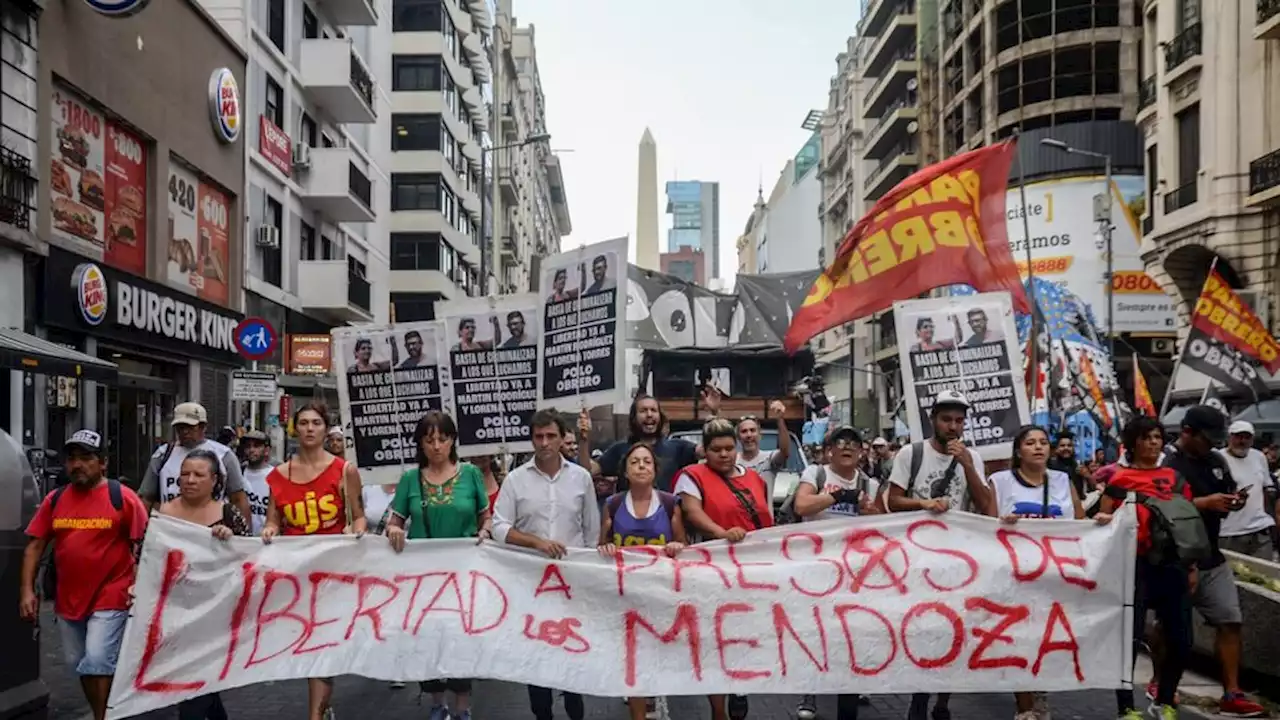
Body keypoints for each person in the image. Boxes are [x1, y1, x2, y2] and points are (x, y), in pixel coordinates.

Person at [19, 430, 149, 720]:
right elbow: (34, 545)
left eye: (86, 458)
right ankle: (105, 710)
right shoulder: (56, 499)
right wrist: (27, 590)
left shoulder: (123, 498)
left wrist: (138, 584)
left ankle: (104, 717)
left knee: (97, 659)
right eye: (72, 459)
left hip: (113, 592)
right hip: (69, 598)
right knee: (79, 663)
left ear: (102, 463)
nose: (77, 465)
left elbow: (144, 545)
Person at [991, 426, 1113, 720]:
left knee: (1046, 640)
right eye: (1030, 443)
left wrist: (1101, 522)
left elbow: (1079, 525)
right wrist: (1002, 523)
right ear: (1018, 450)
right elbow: (986, 527)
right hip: (1016, 575)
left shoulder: (1062, 480)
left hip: (1055, 576)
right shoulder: (1001, 481)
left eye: (1043, 442)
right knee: (1021, 638)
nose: (1038, 447)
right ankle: (1025, 707)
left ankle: (1039, 692)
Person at [885, 390, 991, 720]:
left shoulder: (971, 455)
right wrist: (925, 504)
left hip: (959, 560)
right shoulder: (910, 454)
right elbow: (893, 500)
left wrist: (968, 466)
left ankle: (943, 700)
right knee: (925, 629)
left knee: (954, 631)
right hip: (919, 557)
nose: (953, 427)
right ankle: (920, 696)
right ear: (933, 420)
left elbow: (986, 504)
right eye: (947, 419)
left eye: (959, 421)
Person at [1154, 406, 1266, 717]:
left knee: (1230, 620)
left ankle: (1232, 692)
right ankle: (1160, 682)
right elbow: (1160, 506)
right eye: (1207, 439)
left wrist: (1233, 501)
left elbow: (1225, 494)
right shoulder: (1167, 462)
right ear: (1187, 432)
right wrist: (1204, 503)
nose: (1212, 446)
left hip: (1211, 555)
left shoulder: (1216, 461)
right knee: (1170, 625)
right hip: (1174, 557)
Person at [261, 402, 367, 720]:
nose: (309, 428)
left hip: (333, 574)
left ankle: (315, 714)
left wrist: (355, 530)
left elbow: (360, 517)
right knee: (306, 643)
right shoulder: (277, 476)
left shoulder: (344, 471)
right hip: (295, 575)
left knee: (321, 644)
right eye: (303, 422)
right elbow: (274, 520)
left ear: (325, 428)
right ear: (295, 429)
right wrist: (269, 529)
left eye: (316, 423)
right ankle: (322, 706)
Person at [491, 410, 599, 720]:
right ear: (531, 439)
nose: (544, 443)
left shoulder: (581, 478)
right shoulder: (514, 480)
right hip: (530, 583)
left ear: (562, 437)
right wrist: (536, 543)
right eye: (538, 437)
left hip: (571, 583)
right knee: (535, 655)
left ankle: (575, 713)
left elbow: (590, 533)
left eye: (551, 436)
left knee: (573, 652)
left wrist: (590, 578)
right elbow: (499, 528)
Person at [386, 411, 489, 720]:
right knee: (428, 638)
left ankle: (462, 707)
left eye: (442, 439)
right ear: (420, 444)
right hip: (424, 579)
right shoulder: (409, 479)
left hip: (464, 575)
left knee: (460, 638)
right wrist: (394, 529)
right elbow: (396, 519)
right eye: (429, 440)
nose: (436, 446)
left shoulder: (470, 474)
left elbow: (485, 515)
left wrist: (484, 532)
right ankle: (436, 703)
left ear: (453, 441)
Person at [1099, 416, 1200, 720]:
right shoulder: (1119, 480)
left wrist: (1192, 566)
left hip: (1172, 566)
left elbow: (1189, 526)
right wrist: (1106, 523)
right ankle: (1126, 707)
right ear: (1133, 443)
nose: (1153, 443)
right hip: (1133, 567)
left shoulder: (1175, 478)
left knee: (1182, 641)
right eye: (1146, 437)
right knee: (1128, 642)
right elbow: (1103, 522)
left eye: (1157, 437)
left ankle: (1165, 699)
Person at [674, 417, 772, 720]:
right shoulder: (691, 476)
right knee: (714, 640)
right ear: (706, 450)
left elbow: (766, 519)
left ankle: (739, 689)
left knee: (744, 634)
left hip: (750, 572)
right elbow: (692, 512)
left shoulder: (756, 479)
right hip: (711, 569)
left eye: (730, 448)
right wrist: (721, 533)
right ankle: (718, 710)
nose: (725, 454)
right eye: (717, 449)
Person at [791, 425, 880, 720]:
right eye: (840, 442)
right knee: (816, 630)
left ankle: (854, 682)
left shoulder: (870, 484)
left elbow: (882, 522)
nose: (847, 447)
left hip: (854, 572)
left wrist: (871, 512)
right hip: (816, 568)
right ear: (829, 450)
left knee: (854, 630)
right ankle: (810, 692)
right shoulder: (816, 475)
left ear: (861, 452)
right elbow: (802, 504)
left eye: (853, 443)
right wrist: (840, 495)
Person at [158, 449, 251, 720]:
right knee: (197, 684)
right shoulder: (165, 513)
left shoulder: (228, 513)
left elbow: (249, 559)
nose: (190, 480)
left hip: (217, 614)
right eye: (184, 474)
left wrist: (230, 540)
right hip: (178, 612)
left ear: (214, 480)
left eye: (198, 475)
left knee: (198, 685)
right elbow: (151, 556)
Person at [596, 443, 686, 720]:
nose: (641, 466)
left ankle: (656, 705)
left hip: (660, 595)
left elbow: (682, 543)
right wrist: (606, 548)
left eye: (647, 461)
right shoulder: (612, 505)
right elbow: (600, 546)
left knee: (657, 658)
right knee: (633, 661)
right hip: (627, 599)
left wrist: (676, 547)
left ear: (655, 469)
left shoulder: (670, 503)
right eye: (635, 462)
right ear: (625, 470)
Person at [581, 390, 716, 497]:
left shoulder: (677, 447)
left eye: (653, 410)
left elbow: (708, 451)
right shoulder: (620, 449)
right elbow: (587, 470)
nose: (649, 414)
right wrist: (583, 438)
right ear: (634, 418)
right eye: (643, 411)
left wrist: (713, 415)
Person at [139, 402, 251, 522]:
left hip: (212, 527)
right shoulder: (162, 455)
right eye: (180, 427)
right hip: (170, 526)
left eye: (190, 427)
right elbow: (146, 497)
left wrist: (243, 536)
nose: (185, 431)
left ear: (203, 427)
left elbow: (238, 498)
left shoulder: (224, 455)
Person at [1217, 420, 1278, 559]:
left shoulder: (1259, 457)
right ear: (1229, 437)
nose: (1242, 441)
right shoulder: (1218, 458)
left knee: (1265, 576)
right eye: (1238, 436)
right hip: (1229, 532)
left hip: (1260, 529)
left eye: (1247, 437)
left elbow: (1267, 485)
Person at [736, 399, 792, 516]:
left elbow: (785, 452)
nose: (749, 435)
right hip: (738, 524)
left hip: (765, 526)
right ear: (738, 437)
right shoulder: (732, 461)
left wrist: (780, 420)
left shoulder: (769, 459)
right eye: (744, 431)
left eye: (752, 430)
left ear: (760, 435)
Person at [239, 429, 274, 535]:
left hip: (266, 540)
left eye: (256, 446)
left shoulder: (275, 475)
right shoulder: (238, 472)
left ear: (266, 450)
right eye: (248, 446)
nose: (251, 450)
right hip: (241, 539)